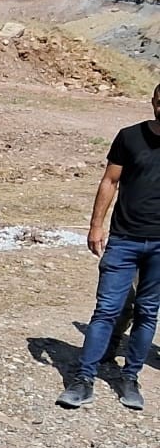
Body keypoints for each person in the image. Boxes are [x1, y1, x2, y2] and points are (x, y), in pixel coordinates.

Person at [56, 82, 160, 410]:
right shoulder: (129, 136)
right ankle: (83, 379)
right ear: (153, 100)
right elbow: (109, 181)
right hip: (124, 239)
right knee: (106, 310)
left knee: (147, 312)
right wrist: (96, 225)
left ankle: (130, 377)